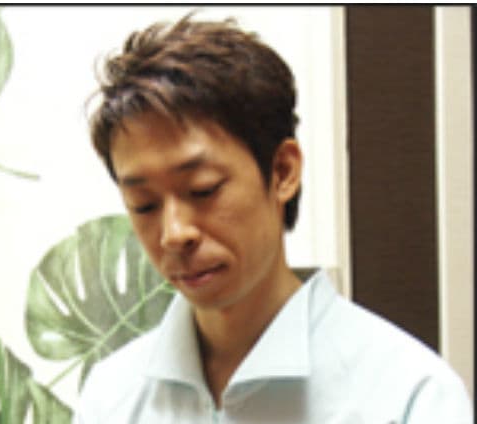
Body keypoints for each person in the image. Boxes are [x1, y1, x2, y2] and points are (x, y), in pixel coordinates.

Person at [77, 14, 472, 423]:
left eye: (203, 190)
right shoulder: (110, 398)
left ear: (283, 172)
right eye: (144, 205)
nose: (175, 234)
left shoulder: (408, 395)